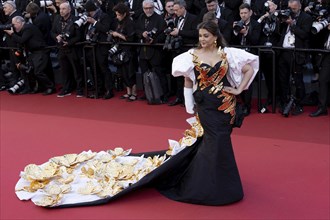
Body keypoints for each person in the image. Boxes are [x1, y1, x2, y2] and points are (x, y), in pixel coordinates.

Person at [14, 21, 259, 207]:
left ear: (216, 37)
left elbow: (249, 67)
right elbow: (187, 81)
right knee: (213, 141)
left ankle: (218, 183)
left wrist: (239, 88)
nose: (202, 40)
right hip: (205, 105)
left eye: (206, 36)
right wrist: (188, 107)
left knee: (218, 141)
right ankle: (211, 186)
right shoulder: (190, 56)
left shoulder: (229, 54)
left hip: (225, 106)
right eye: (200, 36)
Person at [4, 16, 56, 95]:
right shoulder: (24, 28)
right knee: (31, 70)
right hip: (34, 53)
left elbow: (21, 40)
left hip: (40, 51)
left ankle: (51, 87)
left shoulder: (28, 28)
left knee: (38, 72)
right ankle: (40, 87)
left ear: (19, 23)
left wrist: (12, 34)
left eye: (14, 24)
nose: (13, 27)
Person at [277, 0, 313, 116]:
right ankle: (284, 102)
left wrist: (292, 24)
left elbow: (304, 34)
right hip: (283, 52)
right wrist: (281, 20)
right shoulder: (286, 15)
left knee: (297, 80)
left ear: (299, 7)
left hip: (296, 53)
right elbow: (278, 32)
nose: (291, 11)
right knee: (283, 79)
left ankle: (299, 103)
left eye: (293, 9)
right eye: (290, 8)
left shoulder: (306, 18)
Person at [111, 2, 137, 101]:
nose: (117, 17)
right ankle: (128, 92)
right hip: (120, 51)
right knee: (123, 72)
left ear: (124, 14)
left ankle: (134, 93)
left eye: (118, 15)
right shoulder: (119, 23)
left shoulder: (130, 23)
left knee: (130, 72)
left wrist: (118, 35)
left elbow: (131, 38)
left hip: (129, 52)